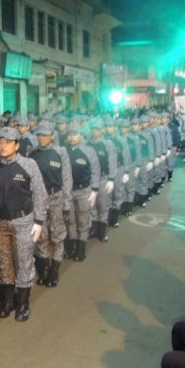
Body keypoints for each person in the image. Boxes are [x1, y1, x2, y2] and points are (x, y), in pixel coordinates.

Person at [0, 127, 47, 322]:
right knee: (4, 261)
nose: (3, 145)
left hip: (23, 221)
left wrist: (39, 221)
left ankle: (23, 303)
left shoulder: (28, 164)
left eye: (8, 142)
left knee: (24, 261)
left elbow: (39, 194)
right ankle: (8, 300)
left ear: (17, 145)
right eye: (1, 141)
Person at [29, 121, 72, 287]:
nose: (41, 138)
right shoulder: (32, 153)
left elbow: (67, 179)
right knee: (41, 236)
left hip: (56, 198)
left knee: (57, 235)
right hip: (38, 200)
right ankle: (44, 268)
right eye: (39, 135)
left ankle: (54, 271)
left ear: (52, 135)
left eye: (45, 135)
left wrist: (67, 203)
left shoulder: (60, 152)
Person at [64, 125, 100, 262]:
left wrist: (95, 189)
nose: (71, 137)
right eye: (70, 134)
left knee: (83, 219)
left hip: (83, 190)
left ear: (81, 135)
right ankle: (73, 246)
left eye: (75, 134)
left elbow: (95, 170)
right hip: (68, 191)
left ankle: (81, 248)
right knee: (71, 220)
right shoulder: (64, 151)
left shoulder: (89, 151)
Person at [86, 118, 117, 242]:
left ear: (102, 130)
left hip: (103, 178)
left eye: (98, 129)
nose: (95, 131)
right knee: (91, 205)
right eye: (93, 129)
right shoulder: (87, 144)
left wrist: (111, 179)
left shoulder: (108, 144)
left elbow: (112, 162)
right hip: (90, 179)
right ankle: (93, 229)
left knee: (103, 205)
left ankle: (102, 231)